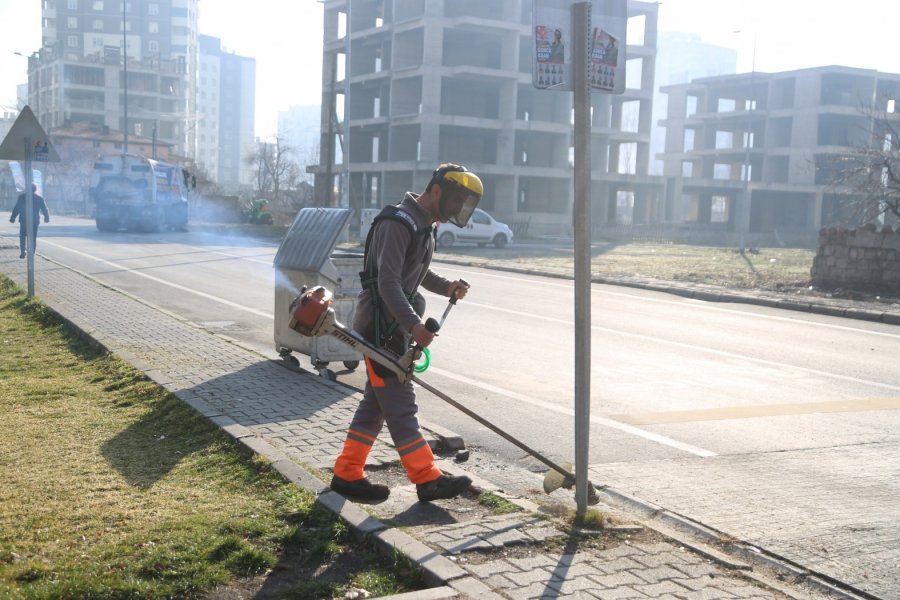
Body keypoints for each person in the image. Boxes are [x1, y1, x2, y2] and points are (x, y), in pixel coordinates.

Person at [330, 163, 483, 503]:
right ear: (437, 191)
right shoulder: (399, 223)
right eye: (456, 201)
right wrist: (415, 324)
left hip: (393, 327)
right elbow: (388, 282)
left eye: (464, 205)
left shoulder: (422, 225)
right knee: (401, 406)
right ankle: (427, 478)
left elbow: (418, 271)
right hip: (381, 328)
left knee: (376, 405)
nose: (458, 209)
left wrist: (447, 288)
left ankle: (347, 472)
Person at [9, 184, 49, 259]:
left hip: (24, 219)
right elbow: (44, 209)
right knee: (33, 237)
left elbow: (17, 208)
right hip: (35, 220)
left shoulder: (22, 197)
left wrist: (13, 217)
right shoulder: (39, 198)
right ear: (35, 189)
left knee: (22, 235)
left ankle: (23, 251)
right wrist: (46, 217)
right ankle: (31, 254)